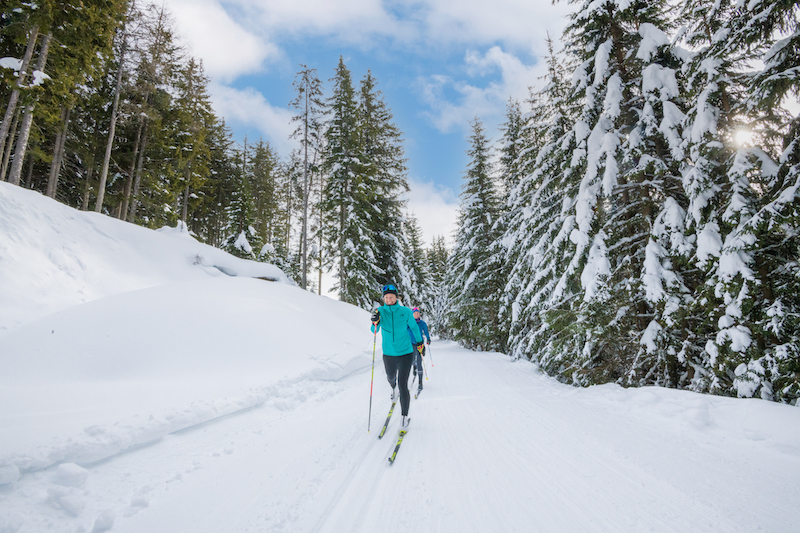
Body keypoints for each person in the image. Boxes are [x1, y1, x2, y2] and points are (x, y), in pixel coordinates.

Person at [371, 284, 422, 429]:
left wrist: (419, 342)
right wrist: (375, 321)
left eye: (391, 297)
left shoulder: (405, 312)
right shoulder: (380, 311)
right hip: (388, 354)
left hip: (405, 353)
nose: (388, 299)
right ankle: (393, 388)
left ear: (396, 297)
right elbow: (374, 330)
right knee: (390, 378)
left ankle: (404, 417)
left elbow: (414, 327)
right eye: (386, 297)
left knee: (403, 385)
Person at [409, 307, 430, 394]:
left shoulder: (422, 323)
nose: (416, 314)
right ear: (412, 314)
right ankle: (414, 366)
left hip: (419, 344)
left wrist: (428, 339)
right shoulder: (408, 323)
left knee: (419, 362)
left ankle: (420, 382)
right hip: (410, 345)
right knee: (412, 360)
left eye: (418, 313)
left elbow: (426, 332)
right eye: (415, 313)